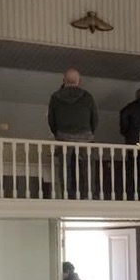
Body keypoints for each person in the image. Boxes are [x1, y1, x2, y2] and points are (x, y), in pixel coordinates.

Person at [47, 69, 98, 199]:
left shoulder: (56, 97)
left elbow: (51, 120)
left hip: (64, 136)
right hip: (85, 136)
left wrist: (58, 133)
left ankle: (67, 193)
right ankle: (89, 193)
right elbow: (94, 118)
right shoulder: (87, 96)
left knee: (65, 166)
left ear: (63, 80)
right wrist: (89, 131)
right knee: (88, 166)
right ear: (79, 81)